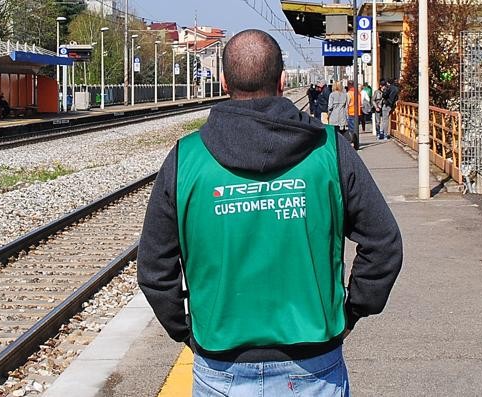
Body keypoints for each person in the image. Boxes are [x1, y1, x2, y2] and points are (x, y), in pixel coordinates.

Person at [138, 29, 402, 397]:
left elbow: (154, 268)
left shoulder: (186, 159)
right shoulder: (329, 151)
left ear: (224, 81)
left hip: (220, 368)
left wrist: (186, 329)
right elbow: (384, 244)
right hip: (315, 367)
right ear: (281, 80)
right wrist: (351, 312)